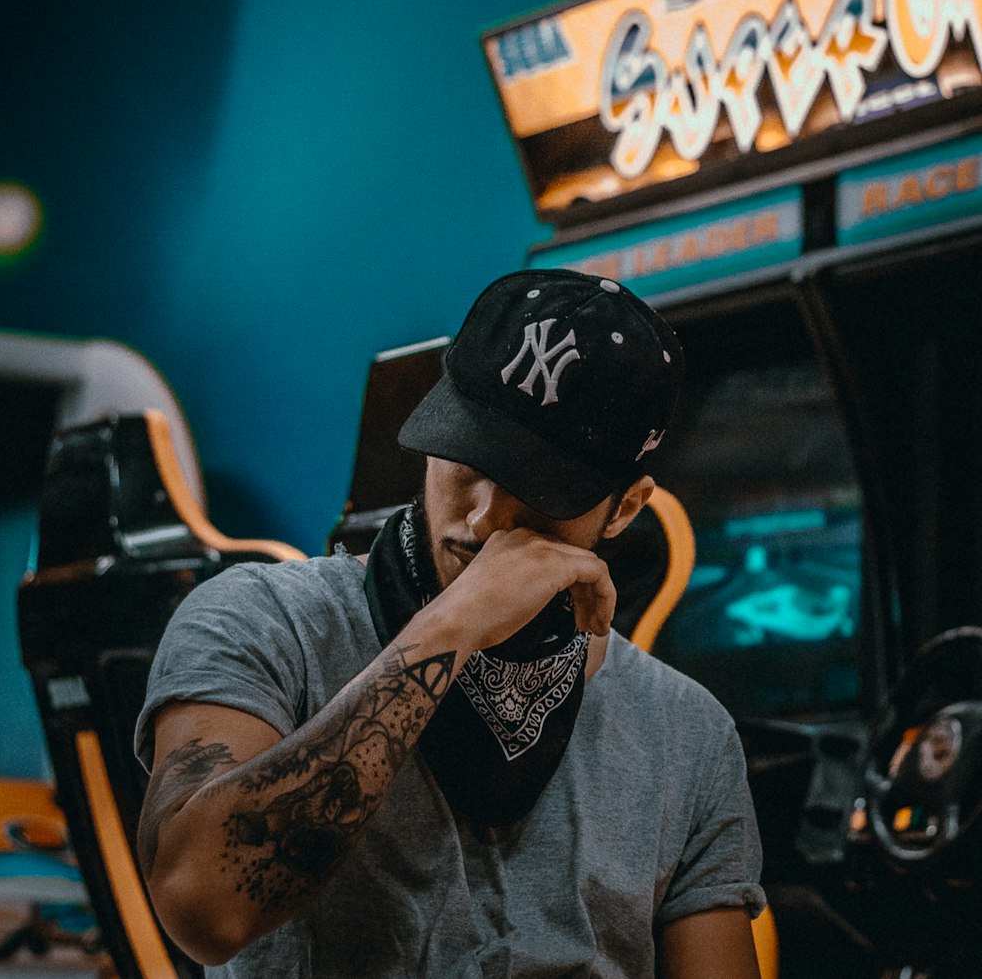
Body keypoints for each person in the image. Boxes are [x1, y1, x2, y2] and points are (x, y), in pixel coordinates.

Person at [135, 268, 766, 978]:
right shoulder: (264, 620)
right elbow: (202, 906)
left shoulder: (686, 732)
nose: (483, 517)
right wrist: (452, 628)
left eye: (539, 487)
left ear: (624, 508)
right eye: (468, 458)